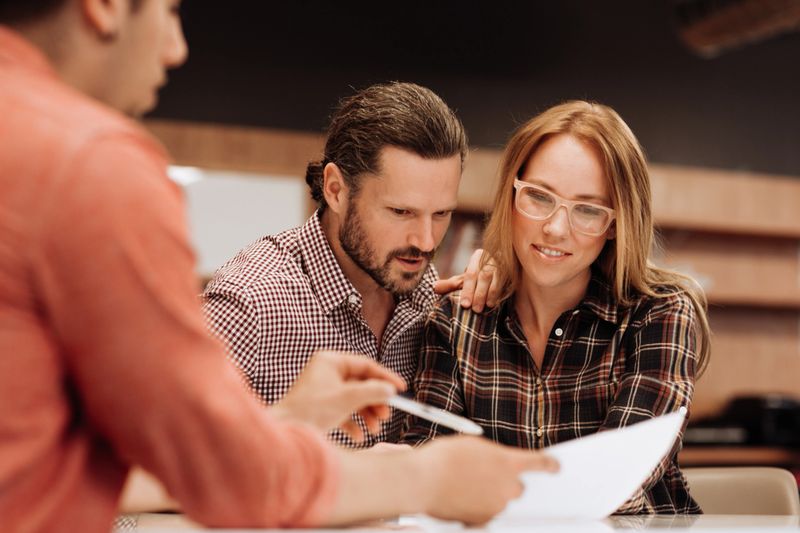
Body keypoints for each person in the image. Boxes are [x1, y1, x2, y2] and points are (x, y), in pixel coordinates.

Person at [0, 1, 558, 532]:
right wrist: (424, 477)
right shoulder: (97, 167)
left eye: (442, 215)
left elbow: (93, 458)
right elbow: (192, 464)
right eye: (168, 10)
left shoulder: (432, 298)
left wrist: (507, 275)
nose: (176, 49)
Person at [402, 101, 711, 514]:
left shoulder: (659, 314)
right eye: (538, 197)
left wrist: (472, 484)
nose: (555, 228)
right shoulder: (455, 322)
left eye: (588, 210)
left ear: (615, 223)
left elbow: (615, 479)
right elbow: (428, 468)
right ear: (512, 194)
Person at [202, 81, 498, 447]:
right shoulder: (249, 302)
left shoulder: (425, 291)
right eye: (400, 211)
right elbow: (168, 458)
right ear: (336, 190)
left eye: (440, 214)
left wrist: (508, 288)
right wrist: (352, 469)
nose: (425, 241)